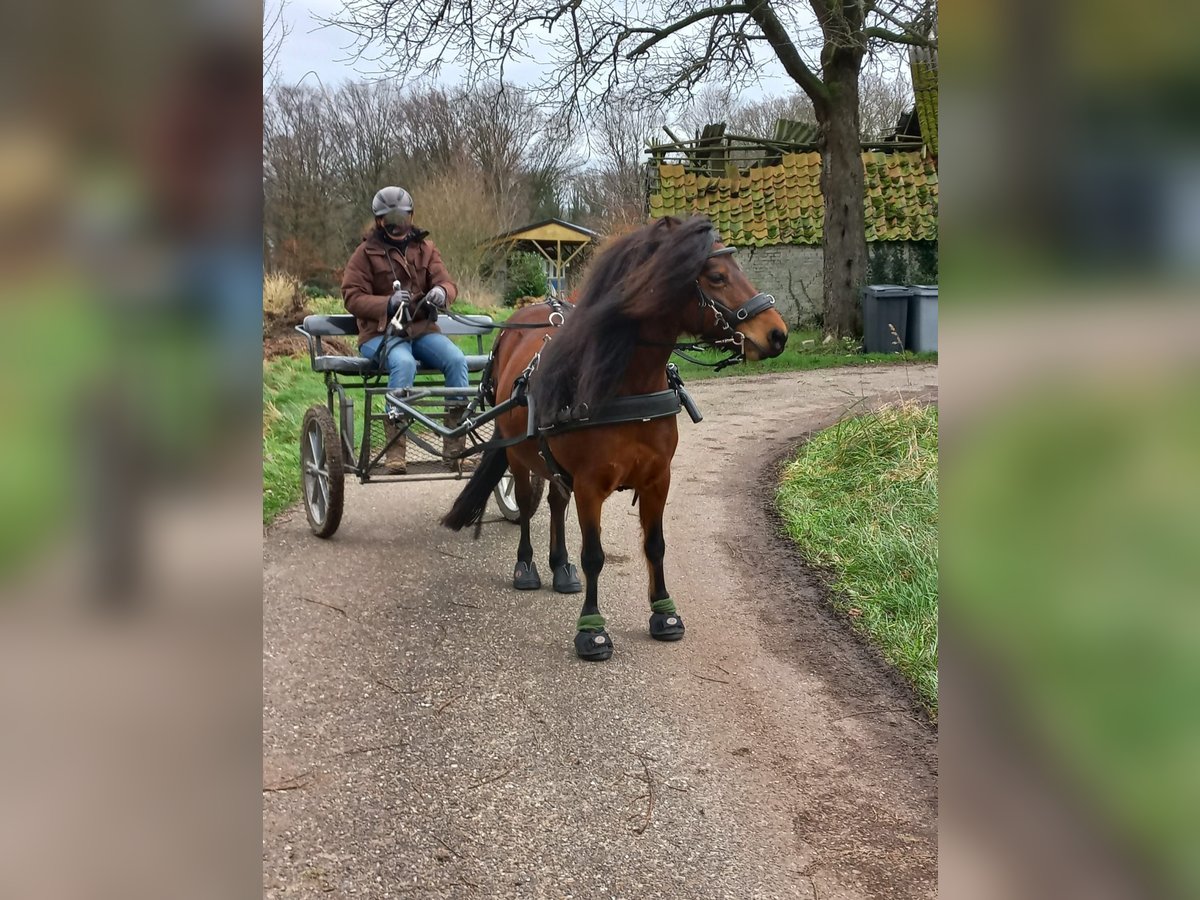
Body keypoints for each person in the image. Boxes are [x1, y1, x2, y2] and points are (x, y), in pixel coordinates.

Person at [342, 186, 474, 474]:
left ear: (411, 217)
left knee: (456, 360)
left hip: (422, 330)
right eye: (389, 219)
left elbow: (448, 283)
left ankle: (454, 449)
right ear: (379, 221)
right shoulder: (365, 253)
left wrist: (441, 292)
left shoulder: (426, 249)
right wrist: (386, 303)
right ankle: (395, 452)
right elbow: (351, 296)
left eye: (401, 217)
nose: (396, 224)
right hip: (379, 335)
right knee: (402, 363)